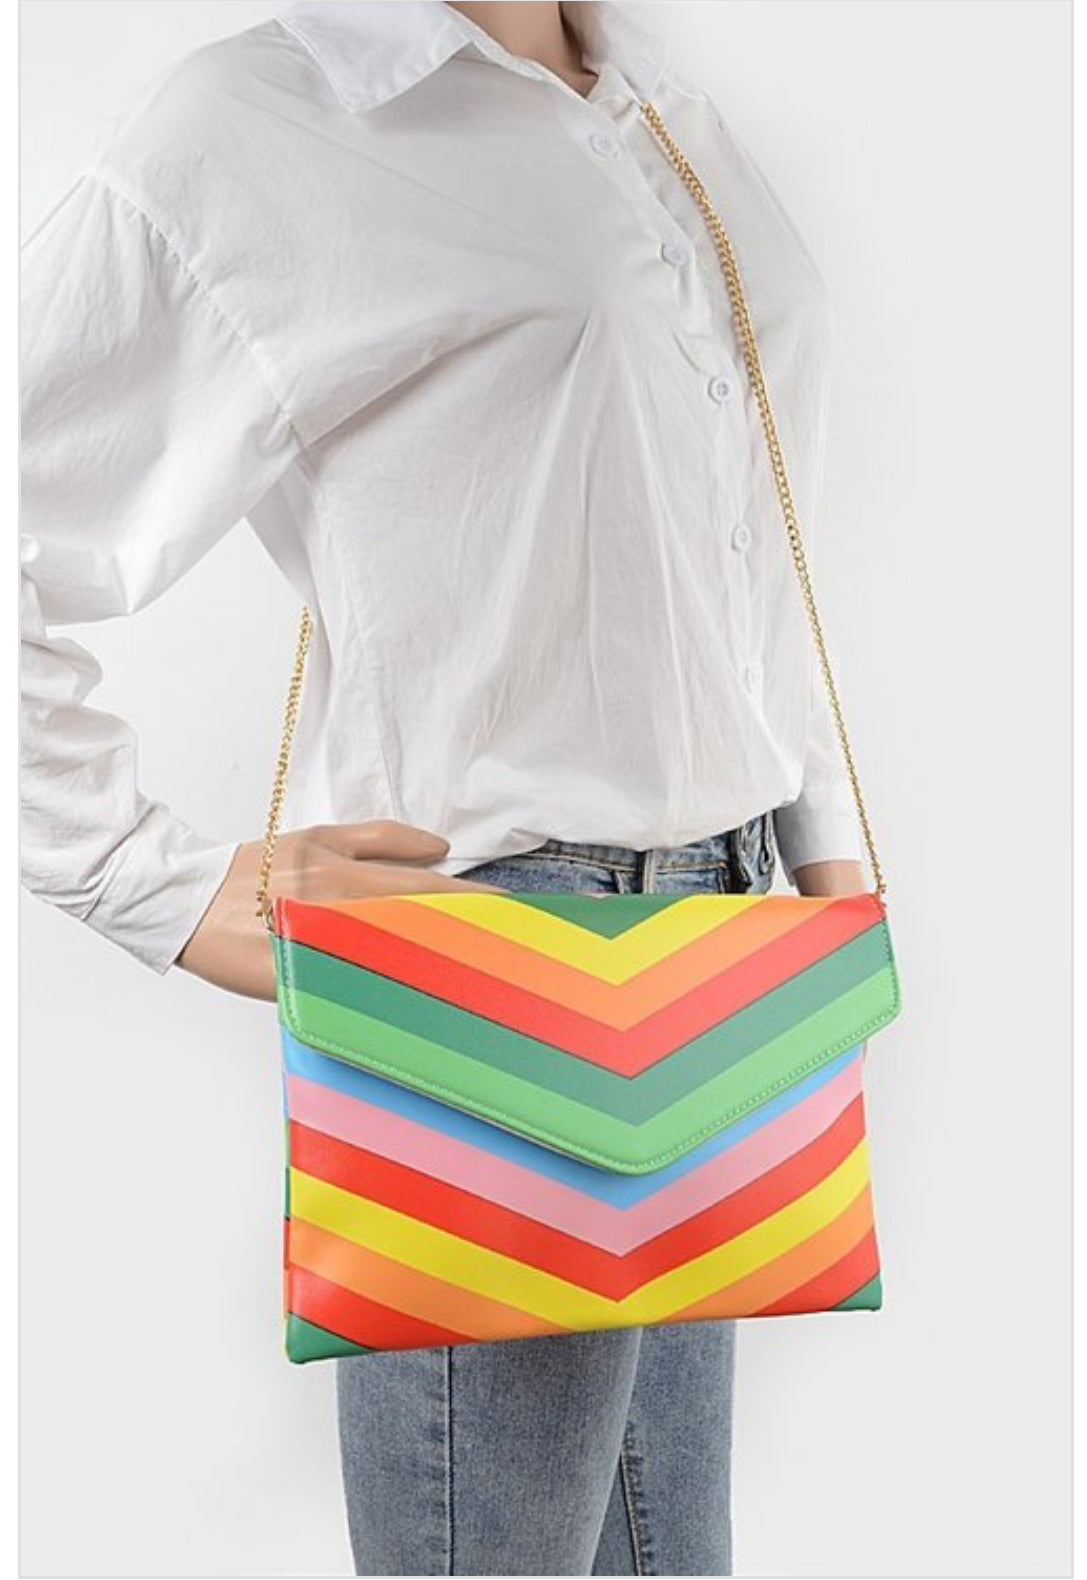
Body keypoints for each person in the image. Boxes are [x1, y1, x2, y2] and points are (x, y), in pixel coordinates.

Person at [20, 1, 869, 1572]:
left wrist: (819, 842)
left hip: (728, 950)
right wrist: (142, 879)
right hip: (488, 954)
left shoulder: (655, 98)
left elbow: (738, 526)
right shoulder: (260, 121)